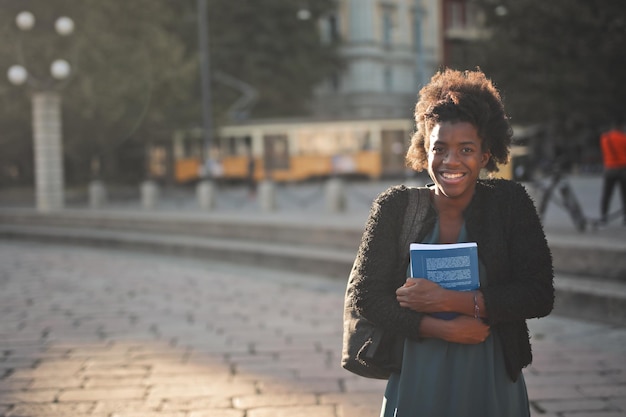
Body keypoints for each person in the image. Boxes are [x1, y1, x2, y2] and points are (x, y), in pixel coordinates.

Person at [349, 68, 554, 416]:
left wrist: (450, 300)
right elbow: (366, 296)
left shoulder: (510, 203)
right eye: (439, 149)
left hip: (490, 375)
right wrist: (439, 328)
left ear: (485, 155)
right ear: (424, 150)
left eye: (466, 149)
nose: (451, 161)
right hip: (417, 376)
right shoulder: (394, 207)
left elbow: (538, 294)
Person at [599, 124, 626, 225]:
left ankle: (603, 216)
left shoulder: (605, 138)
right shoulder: (624, 138)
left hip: (609, 169)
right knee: (624, 195)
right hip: (623, 169)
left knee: (607, 194)